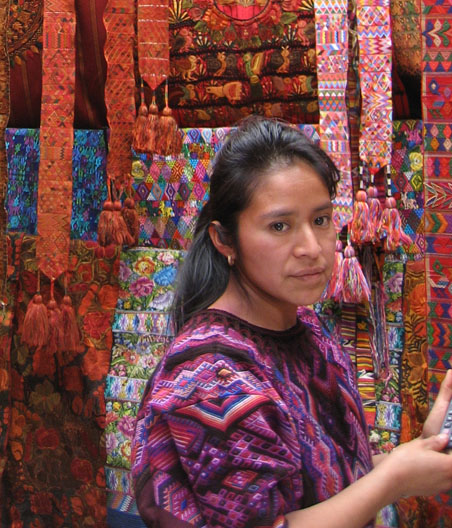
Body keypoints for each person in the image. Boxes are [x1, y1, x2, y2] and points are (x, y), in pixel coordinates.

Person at [131, 116, 452, 528]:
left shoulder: (304, 328)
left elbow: (327, 480)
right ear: (224, 239)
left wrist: (423, 452)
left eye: (321, 220)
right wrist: (394, 479)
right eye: (279, 226)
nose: (311, 248)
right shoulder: (211, 378)